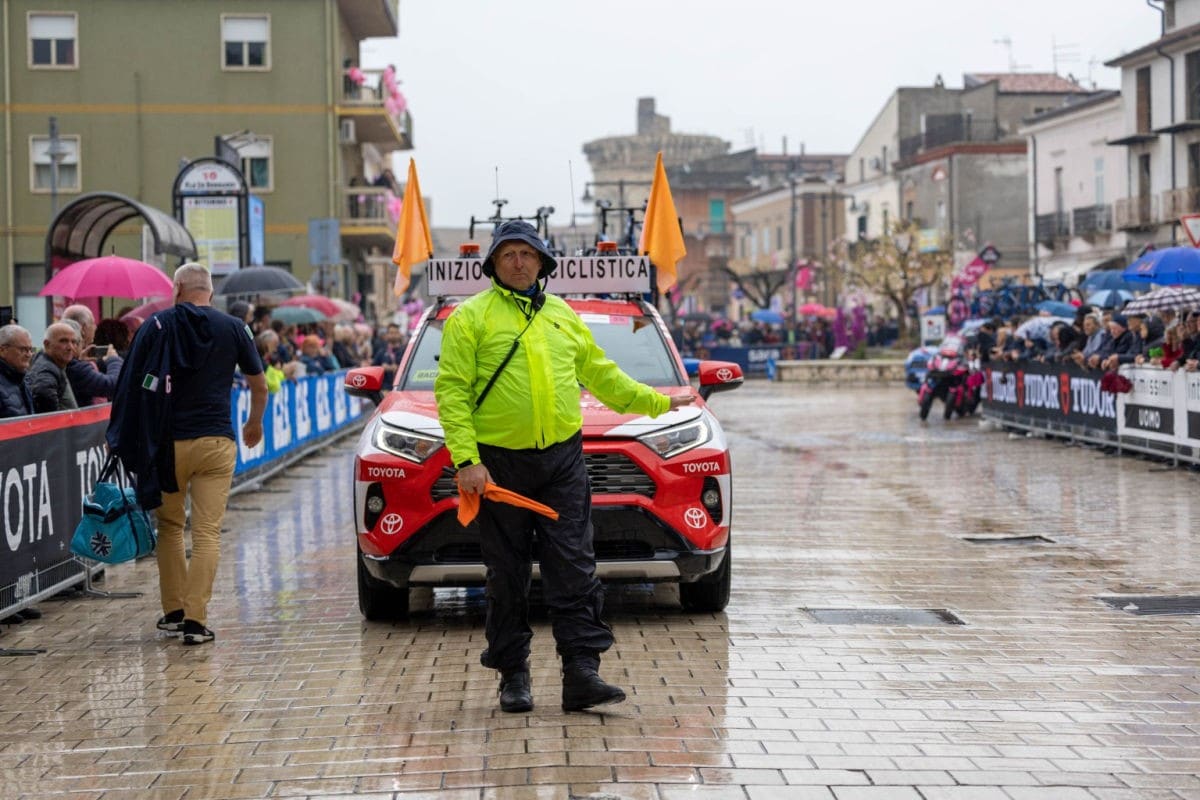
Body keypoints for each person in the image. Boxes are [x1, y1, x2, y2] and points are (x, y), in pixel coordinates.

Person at [434, 220, 693, 714]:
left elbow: (602, 375)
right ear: (493, 264)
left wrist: (658, 402)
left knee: (574, 566)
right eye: (508, 254)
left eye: (526, 254)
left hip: (562, 461)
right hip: (498, 465)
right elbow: (452, 393)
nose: (518, 262)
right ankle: (514, 675)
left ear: (542, 262)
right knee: (507, 573)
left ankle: (581, 673)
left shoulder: (562, 315)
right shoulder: (470, 317)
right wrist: (467, 460)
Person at [107, 263, 267, 646]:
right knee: (208, 531)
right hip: (216, 441)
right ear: (210, 291)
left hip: (167, 444)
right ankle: (196, 621)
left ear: (177, 288)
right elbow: (259, 384)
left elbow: (130, 383)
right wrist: (253, 423)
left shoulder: (156, 325)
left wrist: (123, 435)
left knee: (170, 527)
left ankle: (174, 612)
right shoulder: (234, 327)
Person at [26, 322, 80, 413]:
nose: (70, 347)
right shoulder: (46, 370)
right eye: (63, 341)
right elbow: (43, 393)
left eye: (73, 342)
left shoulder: (56, 364)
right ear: (47, 344)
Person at [0, 324, 34, 418]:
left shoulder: (22, 378)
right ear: (2, 350)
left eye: (30, 350)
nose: (29, 355)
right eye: (23, 349)